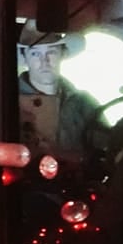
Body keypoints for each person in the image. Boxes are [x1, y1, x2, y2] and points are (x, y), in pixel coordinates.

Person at [17, 26, 93, 159]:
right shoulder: (7, 101)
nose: (44, 61)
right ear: (25, 59)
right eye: (35, 53)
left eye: (51, 52)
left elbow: (108, 144)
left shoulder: (83, 102)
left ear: (63, 54)